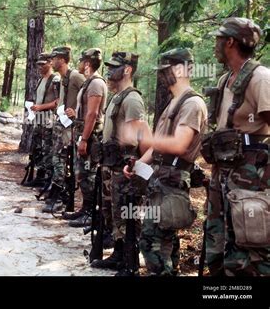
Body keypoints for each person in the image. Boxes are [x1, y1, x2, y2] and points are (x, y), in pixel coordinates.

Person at [124, 48, 207, 276]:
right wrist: (138, 164)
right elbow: (157, 146)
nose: (162, 76)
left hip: (172, 181)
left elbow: (179, 145)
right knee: (164, 243)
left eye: (166, 70)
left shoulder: (192, 104)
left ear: (180, 70)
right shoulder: (174, 103)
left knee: (152, 243)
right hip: (160, 181)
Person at [204, 17, 269, 276]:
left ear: (229, 42)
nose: (215, 45)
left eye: (219, 39)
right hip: (223, 177)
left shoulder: (260, 78)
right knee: (218, 250)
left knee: (250, 252)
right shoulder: (225, 80)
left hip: (252, 180)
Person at [91, 52, 149, 271]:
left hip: (124, 166)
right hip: (111, 164)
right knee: (113, 212)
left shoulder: (132, 99)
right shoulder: (117, 96)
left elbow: (140, 137)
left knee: (126, 214)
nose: (109, 71)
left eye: (114, 67)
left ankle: (129, 258)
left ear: (127, 70)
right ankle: (118, 253)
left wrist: (140, 168)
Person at [64, 48, 107, 228]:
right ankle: (85, 209)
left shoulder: (96, 84)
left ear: (87, 63)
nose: (79, 64)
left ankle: (90, 213)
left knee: (87, 175)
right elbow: (86, 112)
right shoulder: (88, 82)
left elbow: (93, 114)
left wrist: (84, 139)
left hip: (91, 137)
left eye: (81, 60)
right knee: (81, 174)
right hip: (84, 132)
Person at [41, 46, 85, 213]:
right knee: (57, 159)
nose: (52, 61)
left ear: (62, 59)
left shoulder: (75, 76)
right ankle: (61, 195)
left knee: (60, 161)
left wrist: (78, 112)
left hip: (71, 127)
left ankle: (58, 197)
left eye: (55, 58)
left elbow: (90, 96)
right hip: (61, 125)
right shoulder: (62, 78)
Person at [23, 53, 60, 190]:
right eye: (38, 64)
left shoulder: (55, 79)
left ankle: (48, 179)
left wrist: (41, 107)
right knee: (37, 148)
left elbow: (58, 101)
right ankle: (39, 176)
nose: (39, 66)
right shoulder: (41, 80)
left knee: (48, 149)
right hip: (38, 119)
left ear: (50, 63)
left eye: (42, 64)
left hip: (48, 119)